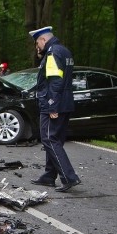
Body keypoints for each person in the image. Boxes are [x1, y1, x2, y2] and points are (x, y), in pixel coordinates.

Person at [29, 26, 81, 192]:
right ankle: (49, 176)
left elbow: (55, 81)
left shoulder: (52, 53)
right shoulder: (64, 51)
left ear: (43, 40)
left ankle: (68, 177)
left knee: (49, 139)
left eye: (38, 43)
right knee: (55, 139)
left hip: (54, 103)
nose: (38, 46)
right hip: (65, 102)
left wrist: (51, 105)